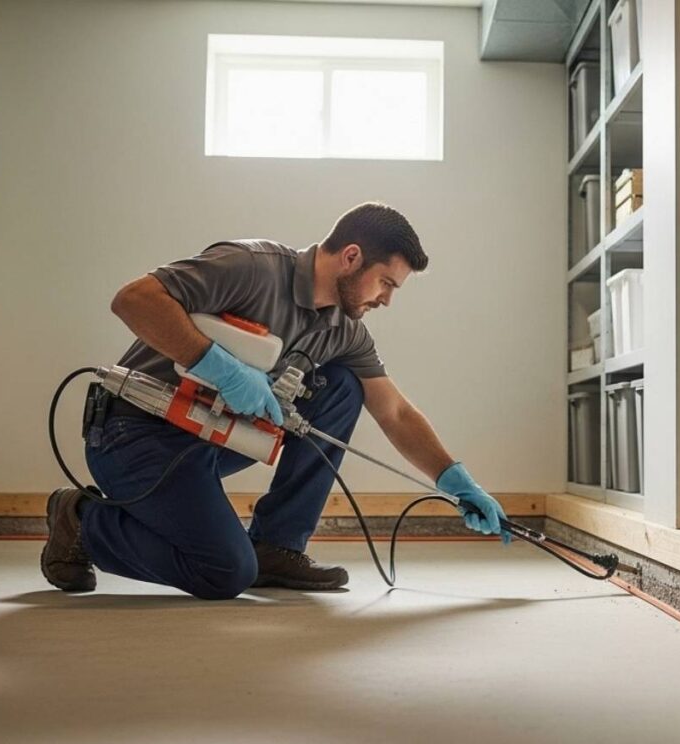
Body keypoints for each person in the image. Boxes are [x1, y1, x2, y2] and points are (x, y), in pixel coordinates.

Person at [41, 202, 507, 597]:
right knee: (225, 572)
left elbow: (395, 412)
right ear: (351, 257)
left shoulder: (345, 331)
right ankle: (79, 521)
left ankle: (277, 547)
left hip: (208, 438)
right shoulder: (251, 267)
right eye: (386, 283)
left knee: (343, 384)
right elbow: (134, 299)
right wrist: (220, 367)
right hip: (133, 434)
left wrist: (457, 482)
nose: (386, 299)